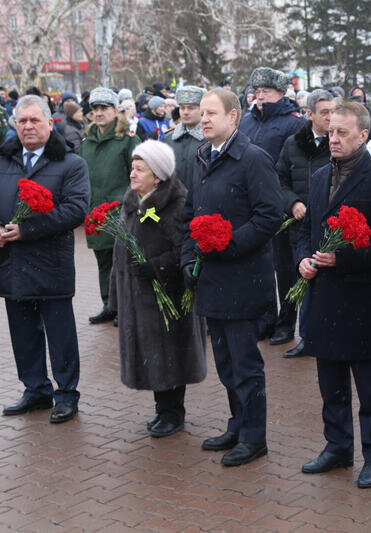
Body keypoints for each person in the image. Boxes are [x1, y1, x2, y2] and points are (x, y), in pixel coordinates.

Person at [297, 101, 371, 489]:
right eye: (330, 131)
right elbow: (306, 230)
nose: (334, 138)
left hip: (360, 297)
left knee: (369, 385)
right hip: (322, 294)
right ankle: (337, 446)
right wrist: (302, 262)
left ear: (364, 135)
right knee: (330, 381)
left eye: (343, 132)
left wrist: (344, 259)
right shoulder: (319, 176)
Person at [0, 95, 90, 422]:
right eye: (22, 121)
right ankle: (35, 390)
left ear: (50, 124)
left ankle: (66, 394)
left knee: (60, 335)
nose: (28, 127)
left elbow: (75, 210)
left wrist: (28, 229)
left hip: (51, 263)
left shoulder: (71, 163)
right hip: (13, 264)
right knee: (23, 333)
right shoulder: (1, 160)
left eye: (35, 120)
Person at [180, 89, 282, 466]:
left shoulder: (253, 159)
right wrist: (188, 258)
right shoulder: (201, 156)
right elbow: (192, 212)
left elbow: (270, 217)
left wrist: (227, 243)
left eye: (211, 113)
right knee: (225, 361)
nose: (203, 119)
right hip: (211, 278)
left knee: (245, 363)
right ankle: (237, 424)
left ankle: (255, 438)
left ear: (233, 117)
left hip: (242, 278)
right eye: (200, 113)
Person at [107, 140, 206, 438]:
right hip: (138, 294)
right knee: (152, 352)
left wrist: (158, 266)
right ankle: (162, 409)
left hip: (166, 295)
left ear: (158, 176)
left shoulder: (174, 205)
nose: (132, 175)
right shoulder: (133, 201)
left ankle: (173, 412)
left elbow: (186, 250)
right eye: (133, 168)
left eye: (140, 169)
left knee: (169, 353)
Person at [239, 67, 305, 343]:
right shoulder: (246, 122)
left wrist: (292, 201)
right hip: (248, 204)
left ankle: (286, 323)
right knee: (259, 267)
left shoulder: (295, 123)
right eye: (257, 91)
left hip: (279, 205)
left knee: (285, 269)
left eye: (266, 91)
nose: (260, 96)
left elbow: (297, 167)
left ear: (281, 93)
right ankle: (265, 318)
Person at [275, 88, 335, 359]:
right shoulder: (292, 144)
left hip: (328, 226)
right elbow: (279, 180)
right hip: (298, 225)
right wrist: (292, 203)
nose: (331, 118)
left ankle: (320, 334)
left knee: (321, 283)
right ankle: (297, 332)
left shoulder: (337, 142)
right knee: (296, 278)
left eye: (333, 111)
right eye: (324, 113)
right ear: (309, 114)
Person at [81, 87, 140, 325]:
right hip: (95, 212)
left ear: (116, 111)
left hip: (120, 211)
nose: (98, 113)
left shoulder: (127, 140)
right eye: (95, 109)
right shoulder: (86, 142)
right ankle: (108, 304)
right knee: (103, 260)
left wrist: (131, 206)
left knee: (122, 262)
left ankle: (123, 306)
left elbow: (139, 175)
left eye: (104, 108)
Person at [164, 85, 206, 188]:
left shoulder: (210, 138)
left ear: (202, 109)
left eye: (191, 108)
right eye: (182, 108)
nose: (186, 112)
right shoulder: (169, 138)